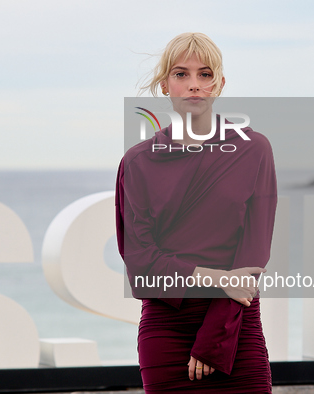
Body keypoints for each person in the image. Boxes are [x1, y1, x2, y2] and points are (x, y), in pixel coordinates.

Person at [115, 32, 277, 393]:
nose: (194, 86)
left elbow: (252, 257)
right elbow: (142, 263)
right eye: (181, 74)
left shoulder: (254, 150)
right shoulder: (138, 162)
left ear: (220, 83)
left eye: (205, 75)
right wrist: (220, 279)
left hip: (235, 324)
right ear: (164, 85)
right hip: (167, 329)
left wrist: (214, 340)